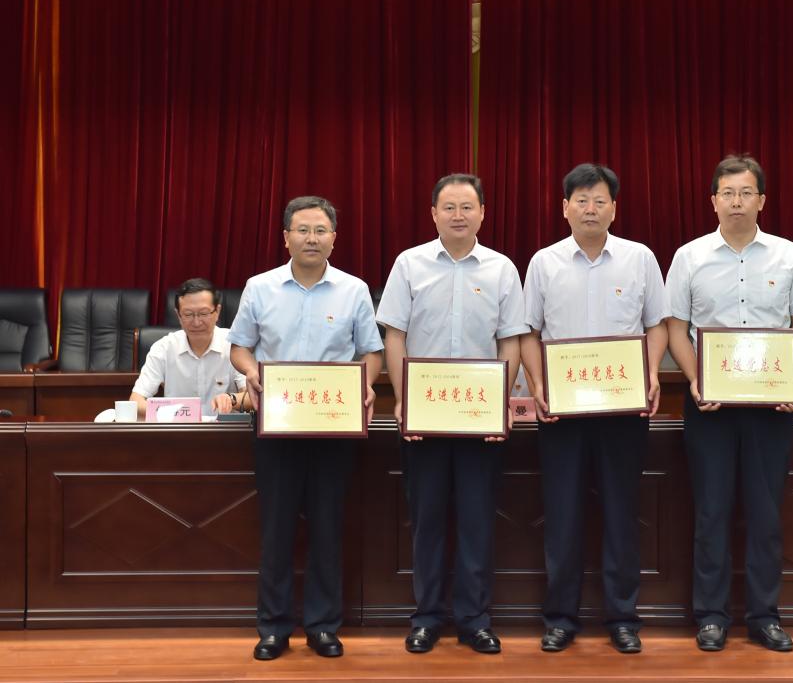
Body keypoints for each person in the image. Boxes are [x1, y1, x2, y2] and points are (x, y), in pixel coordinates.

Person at [665, 154, 793, 653]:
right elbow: (675, 329)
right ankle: (710, 616)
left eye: (746, 193)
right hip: (709, 407)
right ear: (713, 200)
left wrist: (792, 380)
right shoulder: (689, 256)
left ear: (762, 200)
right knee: (711, 512)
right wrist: (695, 380)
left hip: (770, 409)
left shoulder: (788, 255)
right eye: (728, 193)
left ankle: (763, 616)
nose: (736, 202)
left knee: (765, 514)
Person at [376, 173, 528, 655]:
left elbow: (511, 341)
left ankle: (474, 619)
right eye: (449, 207)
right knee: (427, 521)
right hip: (426, 419)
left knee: (477, 521)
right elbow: (395, 336)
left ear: (483, 213)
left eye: (467, 207)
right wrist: (403, 399)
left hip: (480, 420)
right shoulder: (409, 264)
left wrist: (500, 403)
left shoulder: (502, 268)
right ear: (433, 214)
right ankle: (426, 618)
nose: (458, 215)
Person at [520, 163, 668, 654]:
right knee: (562, 516)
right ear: (564, 208)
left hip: (622, 411)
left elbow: (657, 325)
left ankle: (622, 617)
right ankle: (560, 618)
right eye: (581, 200)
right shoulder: (543, 263)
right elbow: (529, 332)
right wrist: (538, 384)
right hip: (561, 413)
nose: (590, 209)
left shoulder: (639, 258)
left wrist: (650, 374)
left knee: (622, 515)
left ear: (614, 208)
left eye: (599, 200)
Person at [228, 196, 383, 661]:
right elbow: (239, 346)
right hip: (276, 424)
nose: (311, 239)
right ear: (286, 237)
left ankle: (322, 626)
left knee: (327, 527)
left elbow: (371, 351)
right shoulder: (260, 287)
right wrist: (251, 372)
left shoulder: (353, 289)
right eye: (302, 230)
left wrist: (366, 384)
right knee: (276, 528)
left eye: (320, 230)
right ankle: (274, 628)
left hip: (333, 426)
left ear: (334, 237)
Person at [129, 278, 247, 418]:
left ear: (217, 311)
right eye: (188, 314)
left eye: (204, 313)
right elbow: (136, 401)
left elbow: (252, 397)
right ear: (178, 315)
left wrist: (231, 399)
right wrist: (173, 413)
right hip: (178, 429)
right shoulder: (163, 348)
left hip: (223, 430)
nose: (196, 322)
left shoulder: (234, 345)